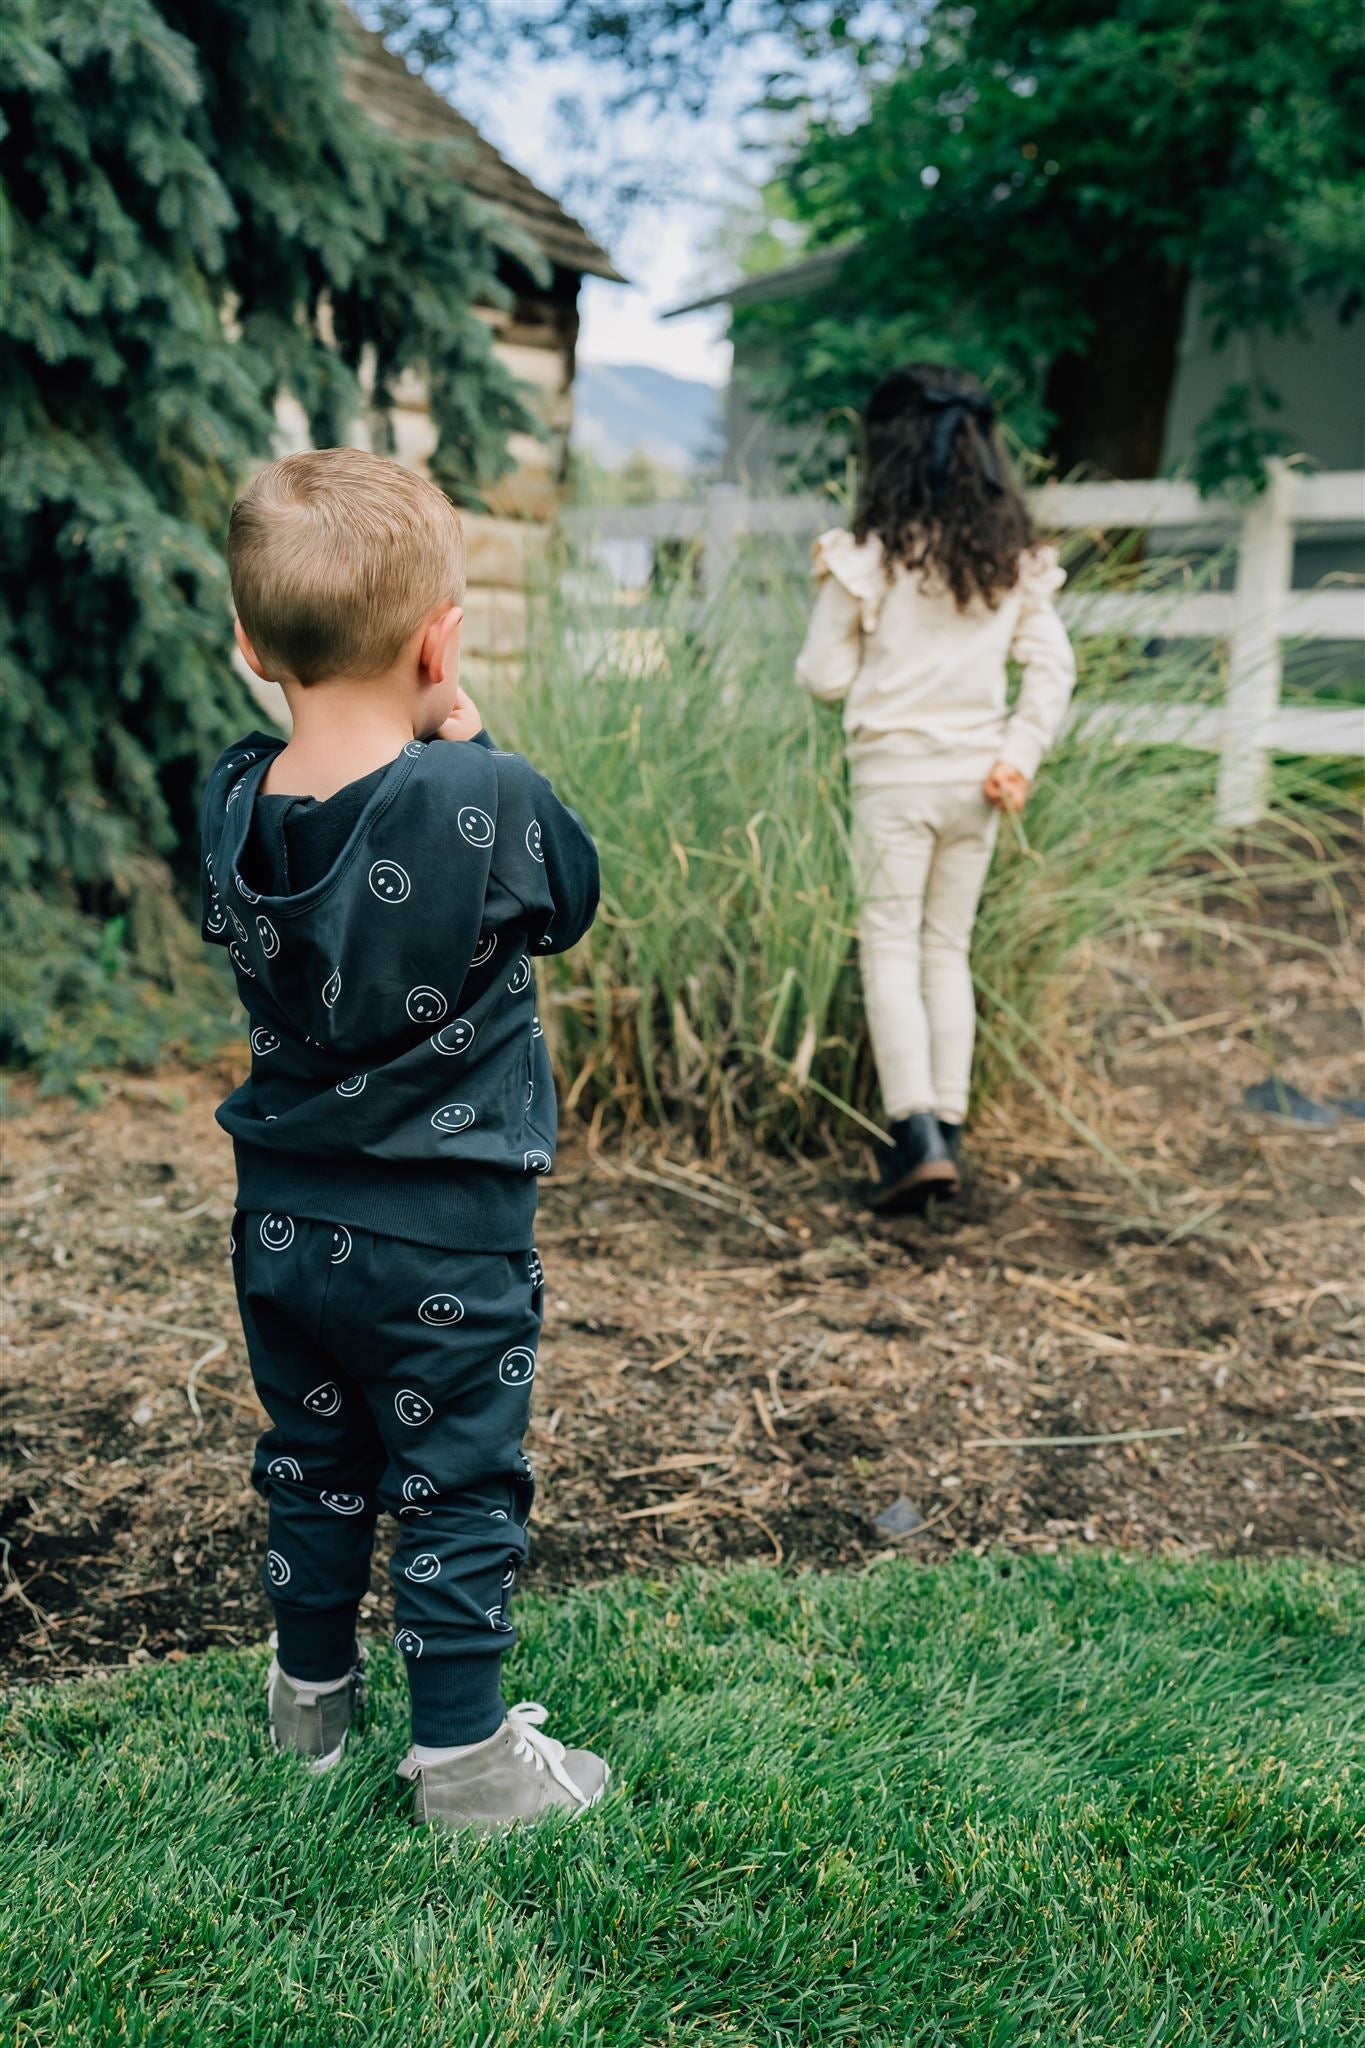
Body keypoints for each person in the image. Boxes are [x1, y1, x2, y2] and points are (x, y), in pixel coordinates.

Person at [202, 447, 607, 1833]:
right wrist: (467, 735)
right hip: (449, 1236)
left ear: (253, 645)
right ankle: (466, 1765)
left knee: (310, 1461)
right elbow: (571, 899)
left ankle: (308, 1702)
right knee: (455, 1481)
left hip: (280, 1228)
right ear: (441, 640)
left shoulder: (231, 801)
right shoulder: (486, 795)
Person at [796, 364, 1076, 1213]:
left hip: (893, 782)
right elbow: (1052, 667)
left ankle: (911, 1133)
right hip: (980, 782)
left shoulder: (867, 559)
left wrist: (838, 609)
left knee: (889, 947)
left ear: (888, 453)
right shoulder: (1007, 561)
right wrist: (1017, 755)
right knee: (944, 950)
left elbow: (821, 676)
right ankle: (945, 1129)